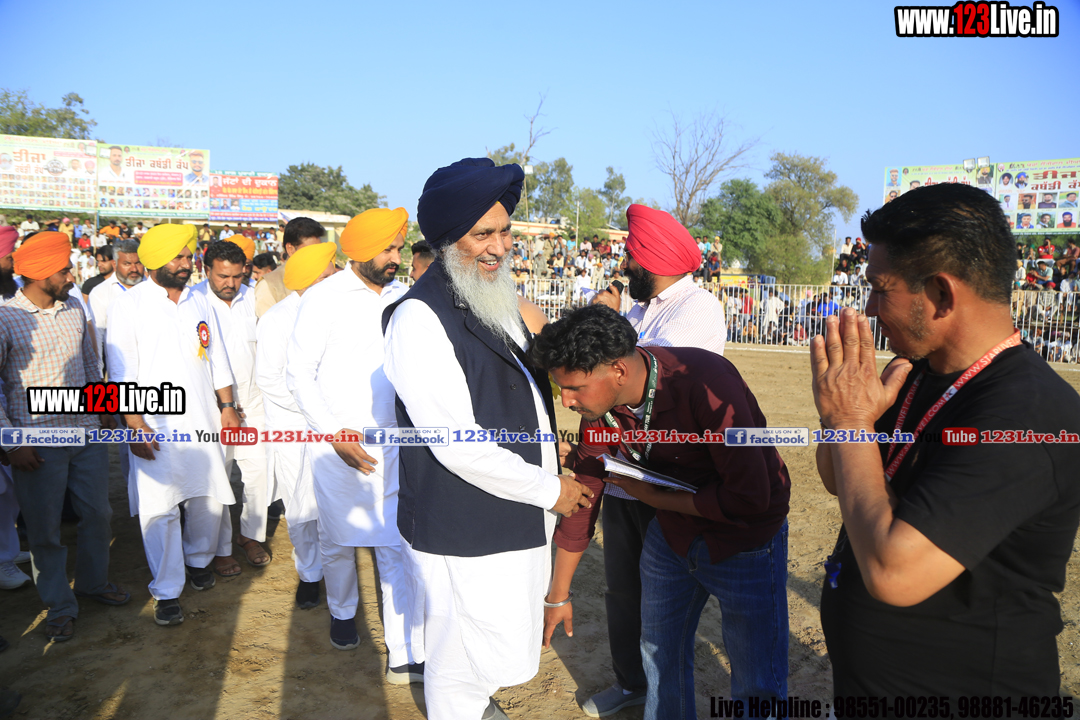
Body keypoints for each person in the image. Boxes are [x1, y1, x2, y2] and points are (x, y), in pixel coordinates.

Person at [813, 182, 1080, 700]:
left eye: (880, 288)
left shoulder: (1029, 414)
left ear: (941, 293)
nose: (869, 307)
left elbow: (893, 572)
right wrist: (842, 413)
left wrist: (849, 420)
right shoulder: (916, 371)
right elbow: (836, 477)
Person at [383, 157, 592, 720]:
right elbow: (456, 443)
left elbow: (509, 396)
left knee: (485, 649)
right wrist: (550, 489)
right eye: (482, 234)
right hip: (465, 525)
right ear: (448, 240)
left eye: (504, 230)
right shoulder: (419, 318)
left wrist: (548, 449)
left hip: (508, 512)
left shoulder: (488, 297)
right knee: (459, 656)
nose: (499, 246)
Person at [531, 305, 790, 720]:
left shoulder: (707, 382)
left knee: (756, 673)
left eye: (575, 388)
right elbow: (584, 496)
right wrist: (557, 596)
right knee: (658, 652)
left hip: (745, 539)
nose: (566, 401)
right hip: (671, 535)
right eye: (560, 388)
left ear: (618, 370)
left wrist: (656, 499)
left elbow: (750, 498)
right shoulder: (601, 409)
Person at [287, 208, 424, 680]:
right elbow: (298, 374)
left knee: (394, 544)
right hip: (337, 443)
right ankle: (343, 613)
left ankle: (403, 650)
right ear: (361, 250)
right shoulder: (323, 298)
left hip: (395, 443)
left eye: (398, 248)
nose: (395, 258)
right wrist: (332, 432)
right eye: (387, 249)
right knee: (337, 539)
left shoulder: (403, 298)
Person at [106, 224, 243, 626]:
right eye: (178, 257)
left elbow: (216, 357)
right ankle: (167, 590)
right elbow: (122, 372)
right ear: (154, 259)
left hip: (203, 419)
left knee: (207, 498)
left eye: (188, 256)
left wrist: (227, 406)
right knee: (159, 508)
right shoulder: (129, 305)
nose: (187, 263)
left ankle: (199, 561)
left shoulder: (200, 300)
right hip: (154, 424)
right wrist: (134, 425)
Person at [0, 232, 128, 641]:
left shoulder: (73, 306)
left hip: (86, 433)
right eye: (63, 270)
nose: (71, 276)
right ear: (39, 274)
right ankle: (59, 605)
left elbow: (90, 364)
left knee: (99, 515)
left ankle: (92, 583)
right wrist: (12, 443)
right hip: (36, 442)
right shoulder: (5, 318)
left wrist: (106, 410)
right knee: (44, 531)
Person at [255, 242, 338, 609]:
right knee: (300, 504)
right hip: (293, 425)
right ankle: (310, 574)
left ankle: (334, 568)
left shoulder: (338, 312)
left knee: (333, 498)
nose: (335, 279)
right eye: (328, 275)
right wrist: (314, 407)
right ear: (309, 280)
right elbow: (270, 380)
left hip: (333, 423)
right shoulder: (277, 320)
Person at [194, 241, 272, 569]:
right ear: (206, 270)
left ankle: (250, 536)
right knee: (217, 479)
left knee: (259, 474)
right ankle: (220, 548)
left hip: (254, 405)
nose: (230, 283)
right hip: (213, 409)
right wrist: (223, 404)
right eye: (222, 276)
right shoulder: (193, 302)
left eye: (237, 276)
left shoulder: (253, 298)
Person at [621, 204, 726, 355]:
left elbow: (654, 362)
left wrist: (606, 321)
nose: (623, 265)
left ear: (652, 258)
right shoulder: (639, 309)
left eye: (628, 256)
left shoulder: (699, 305)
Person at [255, 217, 326, 317]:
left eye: (319, 251)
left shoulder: (325, 277)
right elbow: (269, 324)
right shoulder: (269, 285)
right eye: (309, 251)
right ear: (290, 249)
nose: (316, 256)